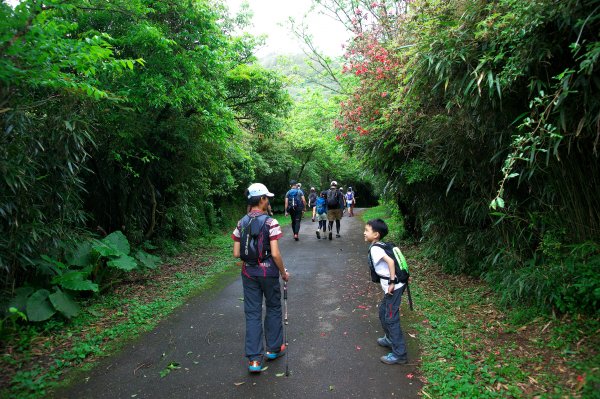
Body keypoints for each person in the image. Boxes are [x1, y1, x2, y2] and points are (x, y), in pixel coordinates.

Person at [232, 183, 290, 373]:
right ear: (262, 200)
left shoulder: (241, 222)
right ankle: (273, 349)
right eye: (267, 197)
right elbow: (275, 253)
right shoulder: (270, 222)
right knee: (273, 307)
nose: (268, 200)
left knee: (252, 313)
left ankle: (255, 361)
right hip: (268, 272)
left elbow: (235, 253)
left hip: (248, 273)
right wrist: (283, 272)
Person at [364, 218, 408, 365]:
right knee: (384, 311)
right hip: (396, 285)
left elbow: (390, 262)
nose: (364, 233)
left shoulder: (376, 248)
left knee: (391, 317)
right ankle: (389, 339)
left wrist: (391, 282)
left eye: (367, 231)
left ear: (376, 234)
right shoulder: (380, 245)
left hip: (393, 287)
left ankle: (399, 354)